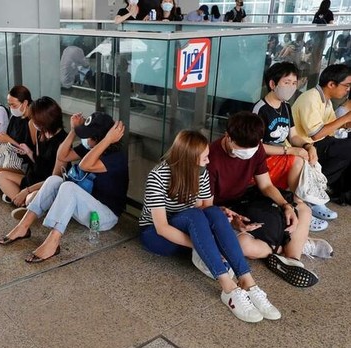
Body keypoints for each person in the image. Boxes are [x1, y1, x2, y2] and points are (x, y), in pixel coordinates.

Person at [139, 130, 280, 323]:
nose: (208, 160)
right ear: (189, 159)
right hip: (156, 234)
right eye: (205, 157)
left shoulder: (201, 172)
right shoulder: (158, 176)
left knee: (213, 212)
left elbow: (206, 208)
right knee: (195, 215)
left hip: (188, 226)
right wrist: (207, 246)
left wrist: (226, 216)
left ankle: (248, 281)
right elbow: (162, 227)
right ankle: (228, 288)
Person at [207, 111, 331, 288]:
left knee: (302, 210)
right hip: (225, 208)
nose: (246, 155)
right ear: (228, 137)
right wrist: (233, 220)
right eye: (241, 150)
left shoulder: (255, 149)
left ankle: (292, 260)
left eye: (251, 150)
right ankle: (292, 245)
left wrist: (286, 205)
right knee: (242, 245)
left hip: (248, 197)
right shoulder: (211, 157)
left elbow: (265, 185)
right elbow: (207, 205)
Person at [0, 112, 128, 263]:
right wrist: (73, 131)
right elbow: (62, 156)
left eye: (88, 136)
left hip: (104, 217)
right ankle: (23, 227)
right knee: (54, 180)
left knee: (68, 187)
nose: (85, 140)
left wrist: (107, 140)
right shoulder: (92, 148)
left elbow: (84, 165)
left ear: (99, 139)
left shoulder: (117, 158)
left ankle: (53, 242)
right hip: (87, 208)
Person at [253, 62, 337, 232]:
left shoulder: (285, 107)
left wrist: (307, 146)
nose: (291, 87)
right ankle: (301, 206)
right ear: (272, 84)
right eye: (286, 82)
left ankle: (311, 201)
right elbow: (257, 147)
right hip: (262, 164)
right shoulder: (260, 109)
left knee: (307, 155)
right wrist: (289, 150)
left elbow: (293, 136)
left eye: (294, 83)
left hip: (280, 157)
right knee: (297, 159)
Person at [292, 64, 351, 203]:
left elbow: (332, 131)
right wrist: (346, 118)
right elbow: (316, 134)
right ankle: (312, 189)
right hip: (303, 145)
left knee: (347, 147)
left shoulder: (326, 101)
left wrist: (346, 125)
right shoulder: (311, 98)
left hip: (316, 143)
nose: (348, 90)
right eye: (346, 85)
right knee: (347, 148)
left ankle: (319, 188)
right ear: (331, 84)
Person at [0, 96, 67, 211]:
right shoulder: (42, 133)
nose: (32, 121)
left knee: (30, 197)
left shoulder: (62, 141)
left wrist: (27, 190)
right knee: (1, 176)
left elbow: (54, 179)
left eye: (34, 119)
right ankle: (25, 205)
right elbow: (39, 162)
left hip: (46, 185)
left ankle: (23, 202)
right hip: (33, 178)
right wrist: (29, 152)